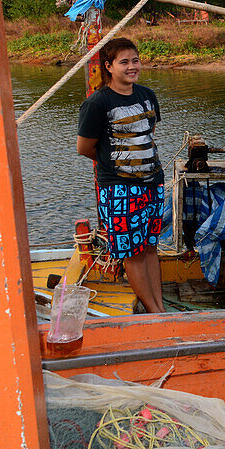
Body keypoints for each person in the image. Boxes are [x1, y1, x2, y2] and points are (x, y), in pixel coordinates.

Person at [77, 38, 166, 314]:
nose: (131, 67)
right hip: (119, 189)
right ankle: (155, 312)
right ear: (109, 66)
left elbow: (147, 136)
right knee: (133, 254)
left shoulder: (147, 95)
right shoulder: (97, 103)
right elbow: (85, 147)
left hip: (152, 182)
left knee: (151, 248)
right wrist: (117, 166)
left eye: (135, 60)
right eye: (124, 62)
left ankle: (160, 309)